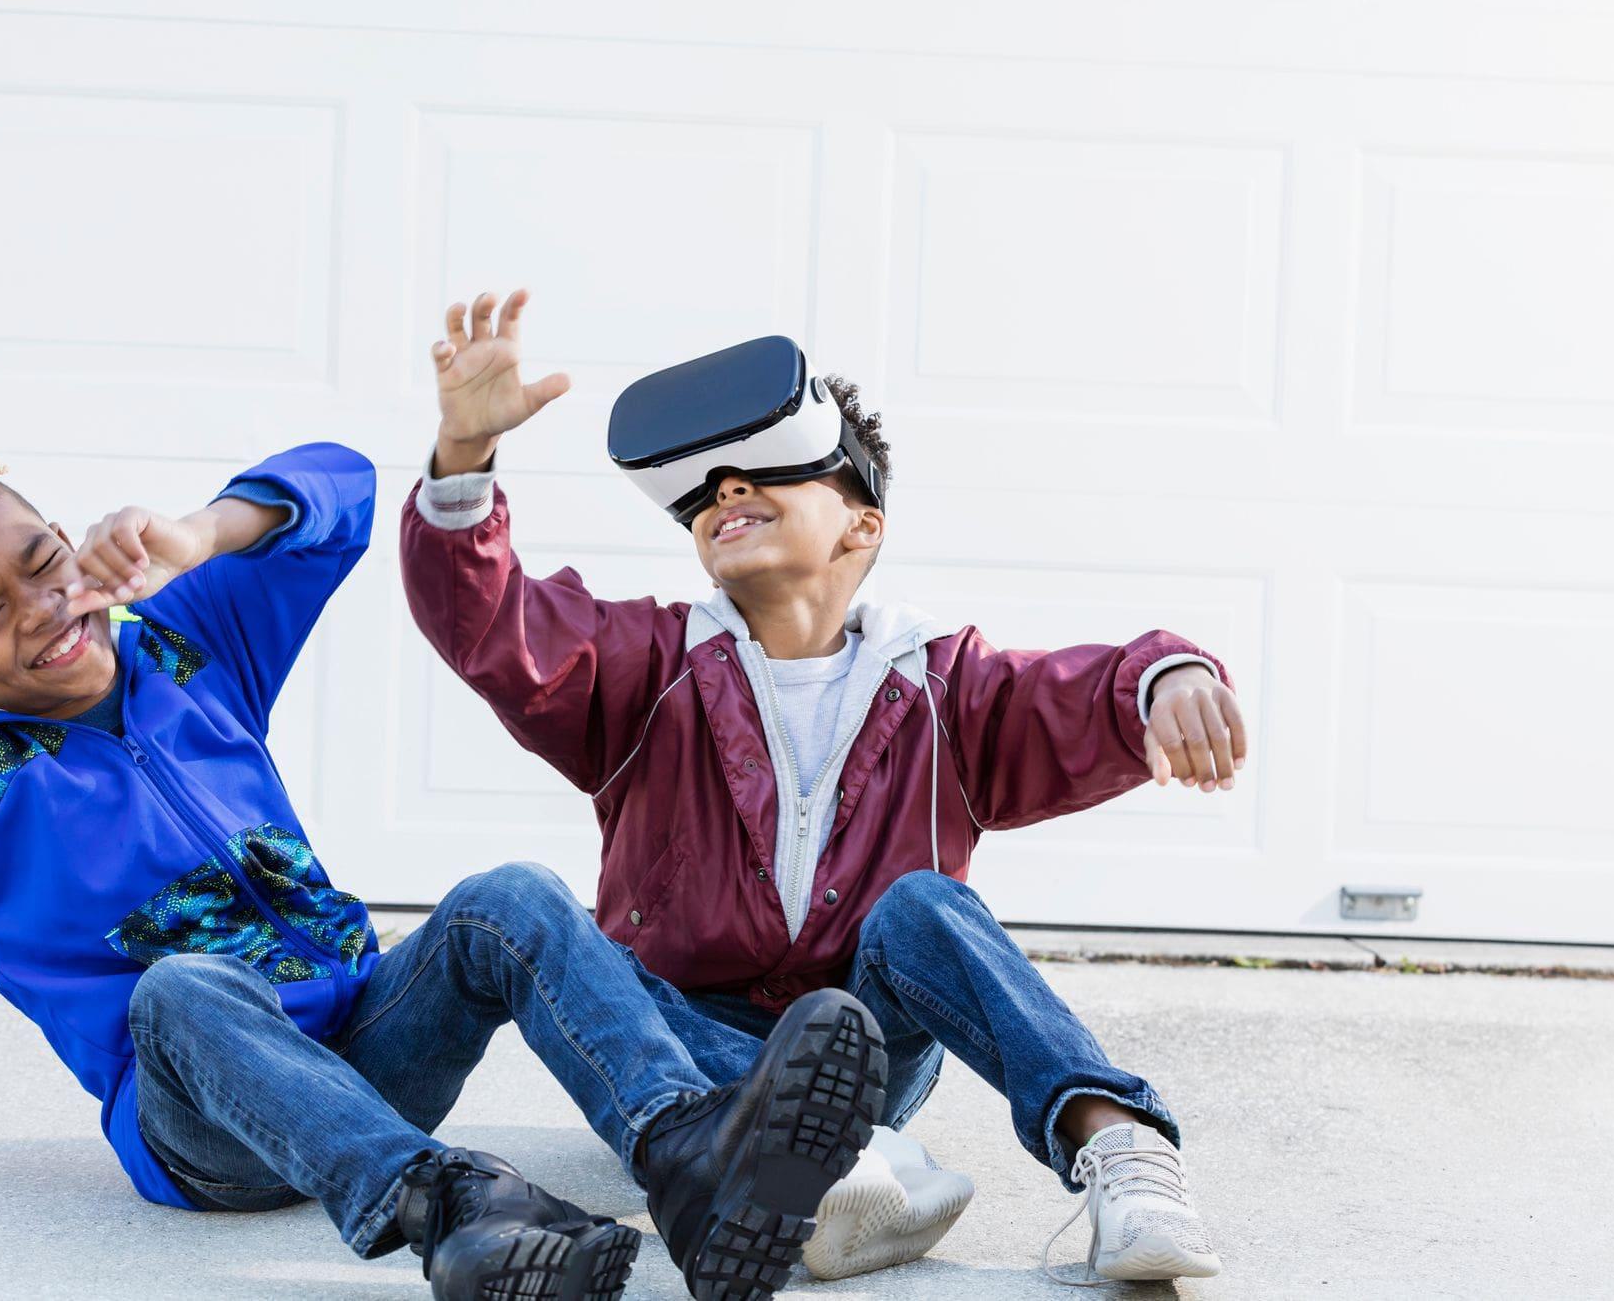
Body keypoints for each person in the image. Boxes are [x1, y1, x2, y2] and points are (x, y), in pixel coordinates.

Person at [0, 434, 887, 1300]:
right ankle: (454, 1210)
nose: (45, 604)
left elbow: (345, 489)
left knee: (508, 901)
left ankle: (689, 1151)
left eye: (44, 558)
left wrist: (199, 533)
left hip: (366, 1054)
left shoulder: (187, 645)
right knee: (180, 985)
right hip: (203, 1131)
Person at [403, 289, 1250, 1283]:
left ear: (860, 523)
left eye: (766, 472)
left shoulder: (944, 682)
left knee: (924, 904)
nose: (726, 491)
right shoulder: (644, 664)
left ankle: (1120, 1152)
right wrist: (463, 463)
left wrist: (1169, 675)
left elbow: (1078, 694)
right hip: (677, 1051)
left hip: (866, 1052)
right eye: (706, 489)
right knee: (549, 922)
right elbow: (495, 626)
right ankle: (823, 1176)